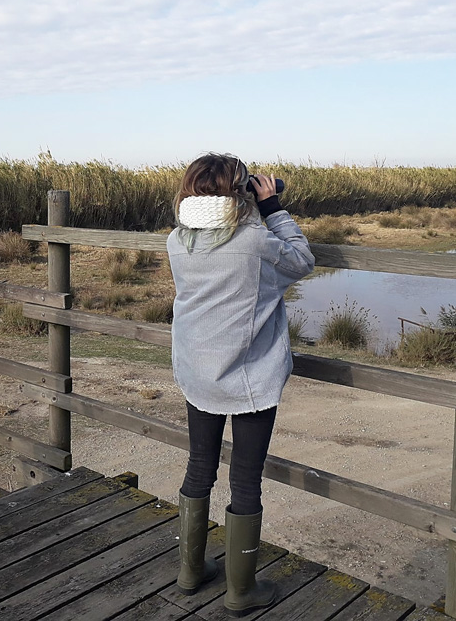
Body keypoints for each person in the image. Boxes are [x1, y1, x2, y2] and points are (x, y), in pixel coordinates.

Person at [167, 154, 314, 613]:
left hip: (198, 371)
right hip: (251, 377)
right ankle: (241, 591)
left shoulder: (177, 240)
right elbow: (303, 260)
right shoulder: (254, 241)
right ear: (240, 191)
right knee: (245, 478)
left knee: (199, 467)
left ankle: (191, 571)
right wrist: (270, 206)